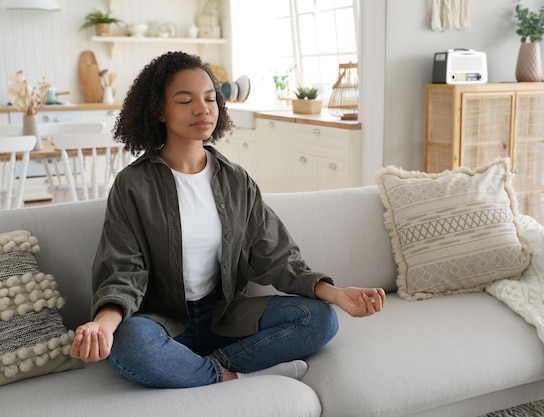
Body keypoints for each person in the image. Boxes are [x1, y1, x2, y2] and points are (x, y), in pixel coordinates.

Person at [69, 51, 385, 388]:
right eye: (185, 100)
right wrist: (105, 322)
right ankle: (234, 374)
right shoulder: (133, 185)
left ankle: (208, 367)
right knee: (129, 344)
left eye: (210, 98)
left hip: (224, 317)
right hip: (162, 321)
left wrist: (335, 294)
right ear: (159, 110)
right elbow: (123, 269)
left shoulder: (237, 181)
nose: (203, 108)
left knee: (320, 320)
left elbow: (276, 256)